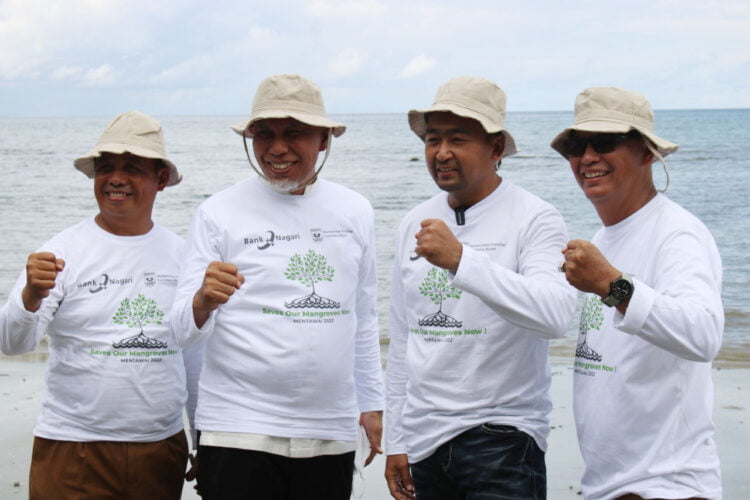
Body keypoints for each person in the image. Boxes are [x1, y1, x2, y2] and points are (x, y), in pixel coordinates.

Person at [169, 73, 385, 499]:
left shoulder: (355, 210)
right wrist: (201, 301)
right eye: (263, 134)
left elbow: (362, 318)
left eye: (294, 133)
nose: (277, 148)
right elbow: (179, 330)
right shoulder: (218, 212)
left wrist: (371, 404)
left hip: (330, 429)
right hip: (237, 429)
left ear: (323, 139)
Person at [384, 76, 577, 499]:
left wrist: (462, 260)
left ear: (495, 149)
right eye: (433, 139)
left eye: (458, 139)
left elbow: (556, 315)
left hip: (504, 437)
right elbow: (404, 338)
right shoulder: (414, 221)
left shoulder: (535, 217)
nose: (442, 152)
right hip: (425, 438)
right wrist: (397, 438)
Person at [0, 110, 201, 499]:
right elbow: (13, 343)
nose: (116, 178)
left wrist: (201, 438)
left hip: (160, 447)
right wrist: (30, 297)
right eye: (105, 167)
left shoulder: (183, 255)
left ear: (161, 179)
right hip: (72, 446)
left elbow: (194, 357)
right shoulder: (59, 252)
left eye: (132, 167)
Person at [551, 87, 724, 500]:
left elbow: (704, 334)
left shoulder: (677, 233)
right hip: (610, 485)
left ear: (647, 153)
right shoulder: (604, 236)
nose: (588, 157)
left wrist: (612, 286)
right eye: (577, 145)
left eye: (606, 142)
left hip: (668, 485)